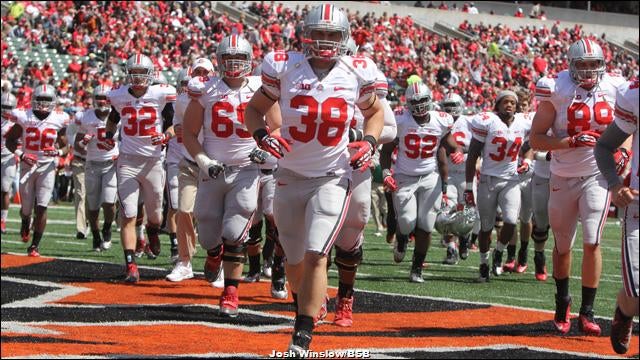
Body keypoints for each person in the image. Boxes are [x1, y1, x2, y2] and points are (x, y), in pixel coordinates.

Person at [243, 3, 385, 354]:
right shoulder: (285, 67)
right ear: (305, 34)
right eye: (318, 33)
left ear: (344, 38)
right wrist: (263, 136)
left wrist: (367, 141)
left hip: (332, 176)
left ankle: (302, 333)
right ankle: (308, 306)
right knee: (292, 258)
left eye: (331, 34)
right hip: (290, 173)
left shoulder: (357, 70)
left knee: (316, 254)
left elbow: (375, 114)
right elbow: (253, 110)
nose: (324, 40)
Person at [530, 39, 628, 335]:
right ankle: (562, 302)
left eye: (592, 63)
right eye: (581, 64)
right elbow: (536, 138)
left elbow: (628, 126)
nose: (587, 70)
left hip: (597, 175)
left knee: (592, 241)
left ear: (602, 63)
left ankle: (588, 311)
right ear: (571, 64)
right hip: (562, 175)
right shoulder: (557, 88)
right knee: (562, 247)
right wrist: (569, 141)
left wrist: (623, 151)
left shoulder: (614, 87)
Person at [183, 35, 275, 317]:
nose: (234, 65)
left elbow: (278, 127)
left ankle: (231, 292)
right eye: (228, 59)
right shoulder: (206, 89)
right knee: (208, 227)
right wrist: (203, 160)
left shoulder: (262, 87)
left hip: (247, 170)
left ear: (250, 61)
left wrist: (265, 149)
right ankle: (213, 254)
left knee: (235, 232)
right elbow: (188, 131)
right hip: (214, 169)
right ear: (219, 62)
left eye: (240, 59)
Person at [381, 82, 463, 282]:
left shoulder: (441, 120)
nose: (419, 105)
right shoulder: (400, 119)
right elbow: (387, 150)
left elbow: (450, 142)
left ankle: (416, 268)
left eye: (422, 100)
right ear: (408, 103)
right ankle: (402, 238)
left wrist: (458, 151)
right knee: (408, 223)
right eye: (415, 101)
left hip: (429, 176)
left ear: (430, 100)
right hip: (403, 176)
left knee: (426, 224)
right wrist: (386, 173)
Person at [105, 54, 176, 283]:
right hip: (127, 161)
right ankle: (131, 266)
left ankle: (153, 231)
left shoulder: (160, 95)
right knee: (128, 213)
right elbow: (113, 119)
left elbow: (174, 125)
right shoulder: (119, 96)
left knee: (155, 216)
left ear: (150, 75)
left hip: (153, 162)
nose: (137, 78)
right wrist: (108, 136)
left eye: (141, 74)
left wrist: (165, 136)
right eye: (133, 73)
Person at [465, 90, 533, 282]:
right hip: (488, 179)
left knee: (511, 221)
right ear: (498, 104)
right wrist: (469, 186)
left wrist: (527, 160)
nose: (509, 105)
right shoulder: (487, 121)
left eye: (512, 102)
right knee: (486, 227)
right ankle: (484, 263)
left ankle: (499, 253)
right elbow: (472, 156)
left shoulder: (524, 122)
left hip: (511, 179)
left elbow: (530, 146)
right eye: (505, 102)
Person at [165, 58, 222, 285]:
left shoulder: (219, 95)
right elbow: (178, 125)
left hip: (215, 164)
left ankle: (219, 264)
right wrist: (180, 130)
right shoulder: (182, 99)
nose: (200, 76)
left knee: (215, 217)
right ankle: (185, 261)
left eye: (204, 72)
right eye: (196, 71)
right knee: (183, 210)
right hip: (190, 161)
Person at [594, 79, 637, 354]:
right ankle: (624, 309)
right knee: (636, 293)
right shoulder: (634, 96)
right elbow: (603, 146)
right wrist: (615, 183)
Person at [5, 84, 70, 257]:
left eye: (46, 99)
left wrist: (57, 153)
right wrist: (21, 154)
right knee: (26, 208)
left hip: (47, 166)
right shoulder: (24, 116)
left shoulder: (59, 118)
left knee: (42, 206)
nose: (42, 103)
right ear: (33, 99)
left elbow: (66, 147)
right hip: (28, 165)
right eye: (39, 99)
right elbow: (10, 141)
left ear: (53, 101)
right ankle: (25, 221)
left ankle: (34, 245)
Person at [74, 85, 118, 251]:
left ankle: (107, 228)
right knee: (92, 205)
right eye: (98, 97)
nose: (101, 101)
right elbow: (77, 145)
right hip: (92, 164)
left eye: (105, 97)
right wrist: (83, 144)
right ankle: (96, 235)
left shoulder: (118, 114)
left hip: (110, 164)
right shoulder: (86, 116)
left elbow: (124, 139)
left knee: (109, 201)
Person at [440, 92, 479, 261]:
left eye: (452, 107)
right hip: (448, 175)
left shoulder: (470, 122)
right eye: (446, 107)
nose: (449, 111)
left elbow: (479, 147)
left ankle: (464, 239)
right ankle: (450, 248)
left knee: (468, 212)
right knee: (446, 212)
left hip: (466, 175)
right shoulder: (439, 122)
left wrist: (463, 153)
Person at [1, 93, 18, 234]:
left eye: (9, 107)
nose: (6, 110)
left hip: (9, 157)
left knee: (5, 189)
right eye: (4, 107)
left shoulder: (17, 122)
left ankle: (3, 221)